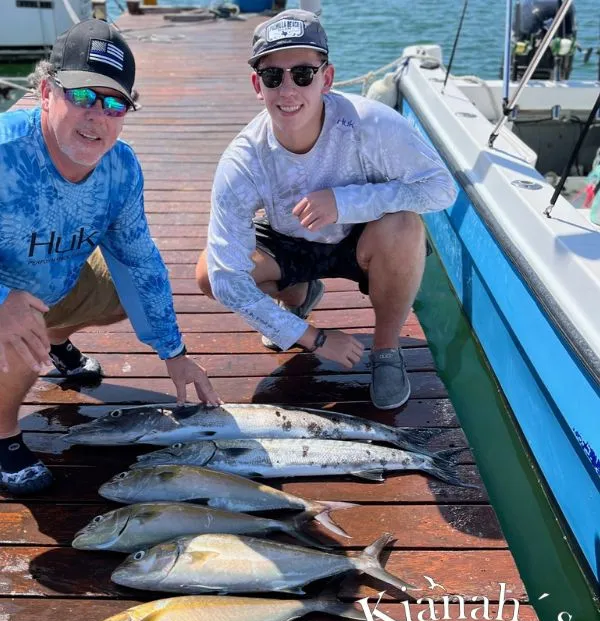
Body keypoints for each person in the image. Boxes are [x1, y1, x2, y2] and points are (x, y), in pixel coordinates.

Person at [0, 19, 220, 496]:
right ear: (45, 92)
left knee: (124, 288)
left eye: (115, 102)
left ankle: (56, 341)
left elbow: (140, 262)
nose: (97, 116)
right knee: (16, 324)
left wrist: (173, 352)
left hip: (49, 279)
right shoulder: (4, 153)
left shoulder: (121, 168)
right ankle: (2, 435)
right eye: (82, 95)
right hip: (7, 296)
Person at [196, 9, 456, 412]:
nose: (287, 90)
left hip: (360, 236)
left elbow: (441, 190)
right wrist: (311, 336)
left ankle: (386, 350)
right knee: (209, 273)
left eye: (303, 74)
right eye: (272, 76)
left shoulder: (372, 125)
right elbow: (227, 280)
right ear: (256, 85)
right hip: (288, 238)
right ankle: (298, 296)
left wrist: (345, 201)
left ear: (327, 78)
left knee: (405, 226)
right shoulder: (242, 158)